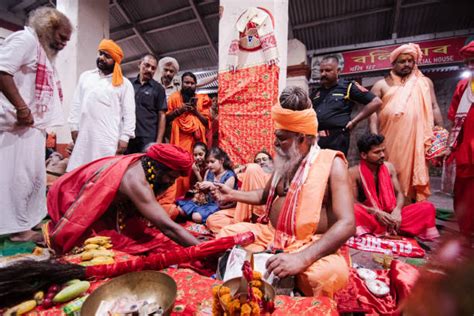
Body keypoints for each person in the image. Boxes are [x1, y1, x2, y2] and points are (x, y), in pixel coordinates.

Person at [213, 86, 355, 297]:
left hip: (309, 243)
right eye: (276, 136)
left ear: (302, 138)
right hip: (271, 235)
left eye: (282, 138)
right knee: (225, 234)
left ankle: (271, 267)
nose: (275, 143)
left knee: (324, 276)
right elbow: (264, 196)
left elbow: (347, 223)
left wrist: (303, 258)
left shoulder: (332, 163)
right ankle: (273, 268)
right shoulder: (285, 162)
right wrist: (231, 194)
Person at [43, 144, 201, 254]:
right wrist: (205, 249)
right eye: (171, 177)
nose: (171, 183)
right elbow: (168, 227)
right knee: (114, 250)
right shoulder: (136, 181)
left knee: (145, 238)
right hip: (69, 197)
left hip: (103, 206)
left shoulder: (144, 162)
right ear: (157, 168)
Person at [0, 7, 72, 241]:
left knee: (29, 180)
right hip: (16, 126)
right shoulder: (25, 40)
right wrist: (22, 108)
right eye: (61, 37)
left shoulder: (41, 52)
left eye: (67, 40)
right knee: (18, 180)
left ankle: (23, 226)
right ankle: (19, 230)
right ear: (47, 28)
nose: (63, 44)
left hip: (30, 129)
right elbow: (2, 71)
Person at [370, 43, 444, 202]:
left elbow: (434, 106)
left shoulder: (424, 82)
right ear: (394, 63)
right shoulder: (380, 85)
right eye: (402, 61)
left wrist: (440, 131)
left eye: (410, 61)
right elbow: (373, 115)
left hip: (417, 139)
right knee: (391, 172)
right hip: (390, 139)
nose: (407, 64)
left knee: (414, 174)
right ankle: (391, 207)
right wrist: (374, 138)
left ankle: (413, 210)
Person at [349, 133, 439, 240]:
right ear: (364, 155)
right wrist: (375, 212)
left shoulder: (389, 167)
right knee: (353, 210)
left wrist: (397, 210)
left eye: (383, 150)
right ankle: (389, 229)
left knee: (427, 207)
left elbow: (399, 193)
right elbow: (352, 201)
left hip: (392, 216)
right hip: (371, 217)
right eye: (377, 152)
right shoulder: (353, 173)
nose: (382, 155)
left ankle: (388, 228)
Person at [67, 39, 135, 172]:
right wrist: (73, 126)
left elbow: (129, 114)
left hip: (108, 139)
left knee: (102, 175)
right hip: (84, 135)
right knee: (80, 172)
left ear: (115, 60)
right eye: (101, 53)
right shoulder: (86, 76)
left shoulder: (124, 84)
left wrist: (125, 137)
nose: (101, 58)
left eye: (107, 56)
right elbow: (76, 103)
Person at [311, 55, 382, 155]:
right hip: (317, 139)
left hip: (337, 139)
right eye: (321, 71)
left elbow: (376, 102)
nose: (323, 74)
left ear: (338, 71)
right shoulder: (316, 93)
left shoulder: (348, 87)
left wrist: (354, 122)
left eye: (328, 70)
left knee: (336, 168)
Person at [166, 71, 212, 197]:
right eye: (187, 82)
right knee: (181, 168)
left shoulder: (202, 99)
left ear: (196, 85)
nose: (190, 85)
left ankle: (199, 196)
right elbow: (166, 118)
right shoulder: (174, 98)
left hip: (197, 143)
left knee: (198, 168)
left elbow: (207, 122)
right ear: (182, 83)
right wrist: (180, 111)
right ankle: (180, 196)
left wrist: (196, 112)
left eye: (192, 83)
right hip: (180, 140)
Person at [207, 150, 274, 234]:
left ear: (272, 162)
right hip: (244, 211)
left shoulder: (276, 175)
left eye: (264, 159)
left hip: (266, 213)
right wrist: (242, 167)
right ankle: (250, 229)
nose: (261, 162)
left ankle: (250, 227)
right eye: (258, 161)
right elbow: (233, 176)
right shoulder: (248, 173)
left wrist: (252, 166)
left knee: (253, 168)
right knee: (212, 220)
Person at [447, 39, 474, 242]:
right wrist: (449, 147)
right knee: (465, 193)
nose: (471, 65)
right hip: (467, 149)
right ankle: (466, 235)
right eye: (469, 62)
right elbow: (455, 119)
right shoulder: (463, 86)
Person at [177, 147, 237, 224]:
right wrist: (201, 186)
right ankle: (195, 214)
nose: (209, 165)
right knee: (180, 209)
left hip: (218, 205)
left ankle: (196, 215)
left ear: (221, 161)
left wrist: (212, 186)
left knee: (196, 217)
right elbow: (205, 191)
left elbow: (224, 199)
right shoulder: (209, 172)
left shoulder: (229, 176)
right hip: (206, 202)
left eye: (212, 162)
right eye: (207, 162)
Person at [126, 54, 166, 153]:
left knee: (146, 167)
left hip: (148, 137)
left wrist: (158, 142)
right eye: (146, 65)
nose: (149, 70)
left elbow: (162, 115)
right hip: (129, 135)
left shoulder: (158, 88)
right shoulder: (128, 84)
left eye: (153, 68)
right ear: (139, 64)